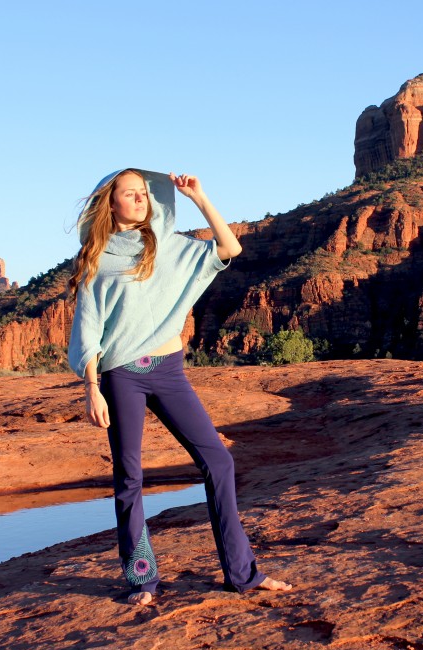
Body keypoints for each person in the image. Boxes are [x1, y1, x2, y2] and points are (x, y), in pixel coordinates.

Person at [67, 168, 292, 606]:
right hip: (120, 375)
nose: (139, 199)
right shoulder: (97, 261)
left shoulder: (168, 246)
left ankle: (242, 573)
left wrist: (200, 199)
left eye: (143, 193)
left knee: (219, 462)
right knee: (129, 478)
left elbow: (230, 248)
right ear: (109, 204)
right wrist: (91, 387)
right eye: (128, 194)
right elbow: (88, 329)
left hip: (168, 369)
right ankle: (142, 580)